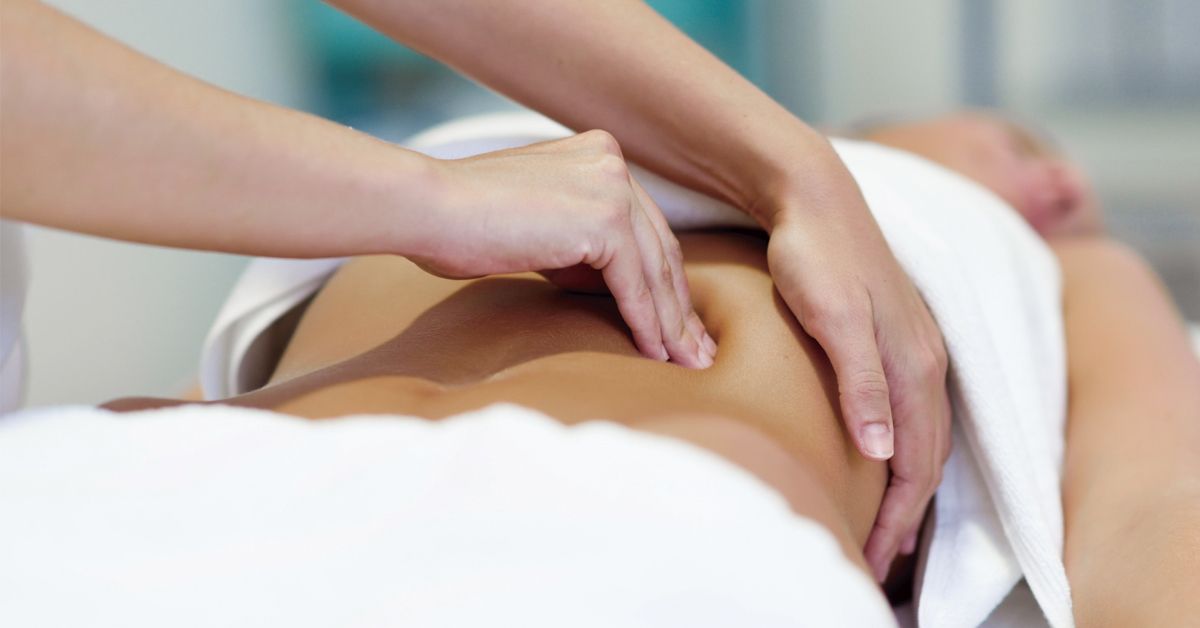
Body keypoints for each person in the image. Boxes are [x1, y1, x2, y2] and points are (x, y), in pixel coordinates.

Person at [105, 110, 1200, 624]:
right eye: (1024, 144)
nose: (1063, 189)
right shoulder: (550, 129)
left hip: (640, 526)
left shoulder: (1050, 266)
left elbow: (1154, 507)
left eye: (1076, 196)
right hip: (193, 482)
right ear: (879, 128)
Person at [0, 0, 947, 576]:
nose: (1053, 179)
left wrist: (799, 172)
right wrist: (437, 200)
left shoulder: (922, 232)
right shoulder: (439, 186)